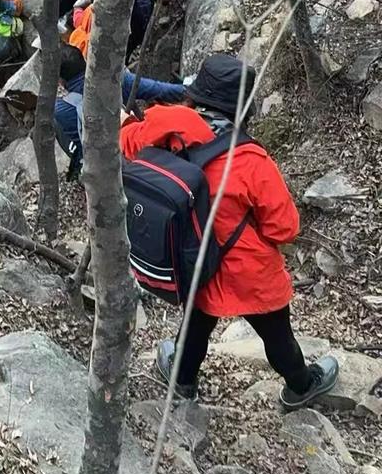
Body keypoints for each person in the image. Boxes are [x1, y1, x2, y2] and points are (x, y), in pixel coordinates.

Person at [120, 54, 339, 411]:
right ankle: (301, 385)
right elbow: (285, 227)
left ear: (195, 95)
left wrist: (126, 123)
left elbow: (127, 141)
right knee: (276, 333)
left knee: (196, 324)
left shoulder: (164, 125)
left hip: (189, 259)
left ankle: (183, 381)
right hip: (246, 269)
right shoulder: (251, 160)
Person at [55, 44, 185, 178]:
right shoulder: (116, 78)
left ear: (60, 80)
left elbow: (80, 148)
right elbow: (160, 90)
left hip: (106, 173)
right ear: (85, 61)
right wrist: (190, 88)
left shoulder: (60, 110)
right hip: (143, 153)